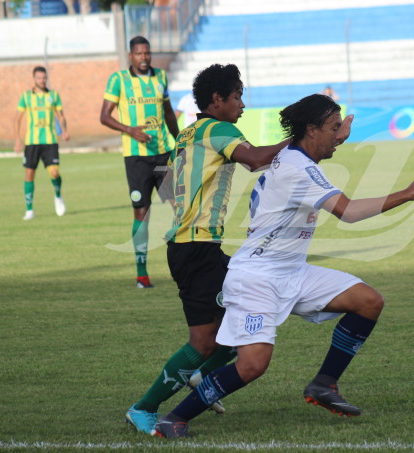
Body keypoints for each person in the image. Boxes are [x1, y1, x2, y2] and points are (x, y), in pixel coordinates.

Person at [151, 93, 414, 439]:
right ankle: (175, 418)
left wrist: (337, 136)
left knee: (368, 301)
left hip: (291, 270)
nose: (338, 134)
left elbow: (317, 150)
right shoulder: (296, 167)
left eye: (339, 128)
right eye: (333, 128)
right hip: (257, 277)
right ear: (311, 129)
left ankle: (324, 383)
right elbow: (347, 212)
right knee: (252, 366)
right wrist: (406, 193)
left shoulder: (295, 157)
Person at [123, 63, 291, 435]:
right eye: (237, 97)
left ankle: (202, 380)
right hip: (196, 248)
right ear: (217, 100)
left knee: (246, 315)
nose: (242, 105)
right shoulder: (220, 129)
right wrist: (300, 140)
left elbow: (164, 178)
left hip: (195, 246)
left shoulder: (186, 134)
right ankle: (145, 407)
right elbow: (256, 159)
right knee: (205, 341)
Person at [100, 36, 180, 289]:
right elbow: (104, 116)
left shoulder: (161, 77)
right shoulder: (118, 80)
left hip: (163, 153)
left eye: (147, 53)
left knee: (180, 207)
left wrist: (180, 142)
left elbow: (168, 113)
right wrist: (129, 130)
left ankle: (185, 263)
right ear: (130, 55)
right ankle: (142, 274)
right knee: (142, 213)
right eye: (139, 54)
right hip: (136, 157)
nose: (144, 58)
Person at [14, 66, 69, 220]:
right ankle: (29, 210)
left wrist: (64, 130)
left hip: (50, 141)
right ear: (34, 79)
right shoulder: (26, 97)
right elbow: (17, 118)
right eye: (39, 78)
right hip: (32, 142)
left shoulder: (53, 95)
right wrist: (17, 139)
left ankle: (58, 196)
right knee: (29, 174)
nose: (42, 81)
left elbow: (60, 115)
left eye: (44, 78)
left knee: (54, 172)